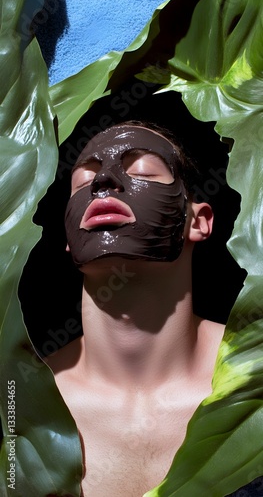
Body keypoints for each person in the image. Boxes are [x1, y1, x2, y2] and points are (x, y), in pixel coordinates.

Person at [45, 120, 225, 496]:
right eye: (82, 181)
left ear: (198, 221)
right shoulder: (18, 404)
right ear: (67, 235)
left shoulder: (254, 377)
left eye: (142, 169)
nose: (103, 182)